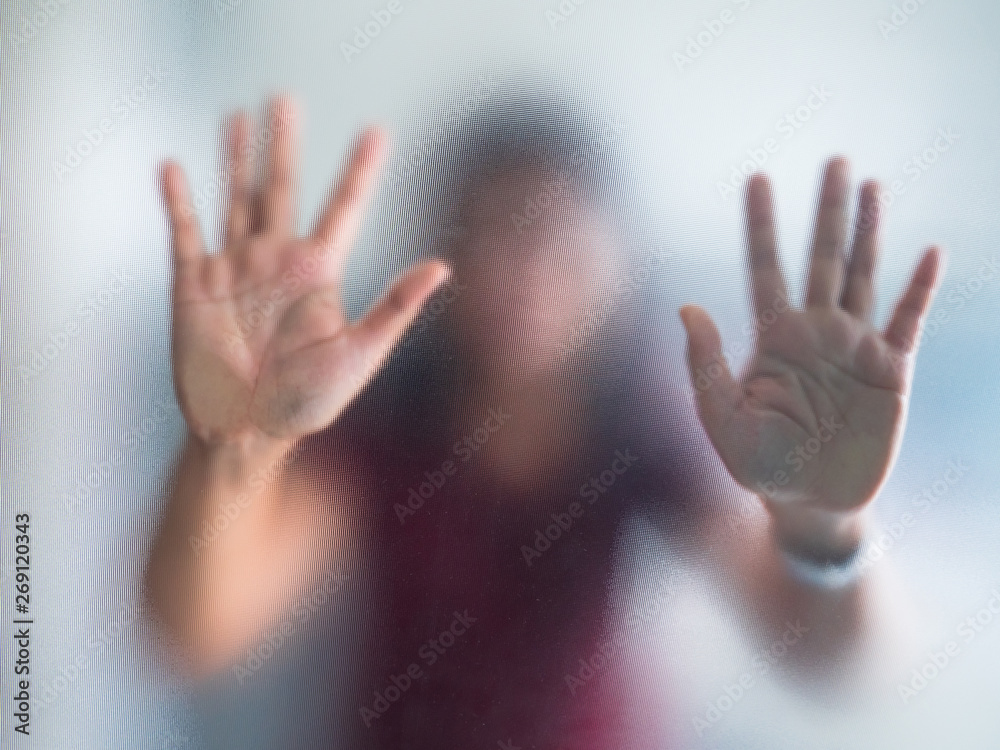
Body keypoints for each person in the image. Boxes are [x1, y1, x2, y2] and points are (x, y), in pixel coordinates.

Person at [144, 89, 942, 748]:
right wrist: (235, 447)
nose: (523, 273)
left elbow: (840, 663)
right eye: (492, 232)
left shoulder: (644, 430)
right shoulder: (381, 433)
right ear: (440, 259)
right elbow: (195, 630)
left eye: (556, 236)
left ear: (616, 263)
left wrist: (825, 531)